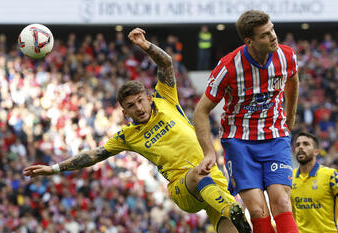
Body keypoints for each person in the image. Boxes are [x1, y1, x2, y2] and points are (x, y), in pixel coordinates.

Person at [23, 28, 251, 233]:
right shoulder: (127, 136)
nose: (139, 108)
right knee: (206, 181)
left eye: (141, 101)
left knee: (234, 227)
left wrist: (145, 45)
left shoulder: (166, 100)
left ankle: (233, 212)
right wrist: (53, 169)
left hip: (212, 179)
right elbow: (94, 155)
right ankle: (233, 207)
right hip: (183, 187)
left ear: (149, 98)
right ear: (125, 113)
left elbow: (166, 64)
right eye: (131, 106)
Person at [193, 10, 300, 233]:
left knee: (281, 201)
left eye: (272, 30)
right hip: (240, 143)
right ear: (249, 41)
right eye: (264, 35)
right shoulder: (228, 67)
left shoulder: (286, 56)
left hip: (275, 136)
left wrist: (290, 116)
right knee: (258, 211)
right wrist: (209, 152)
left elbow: (292, 80)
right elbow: (201, 111)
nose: (273, 37)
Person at [291, 132, 338, 233]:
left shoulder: (331, 176)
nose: (300, 147)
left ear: (316, 151)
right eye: (298, 144)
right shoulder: (289, 178)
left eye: (306, 144)